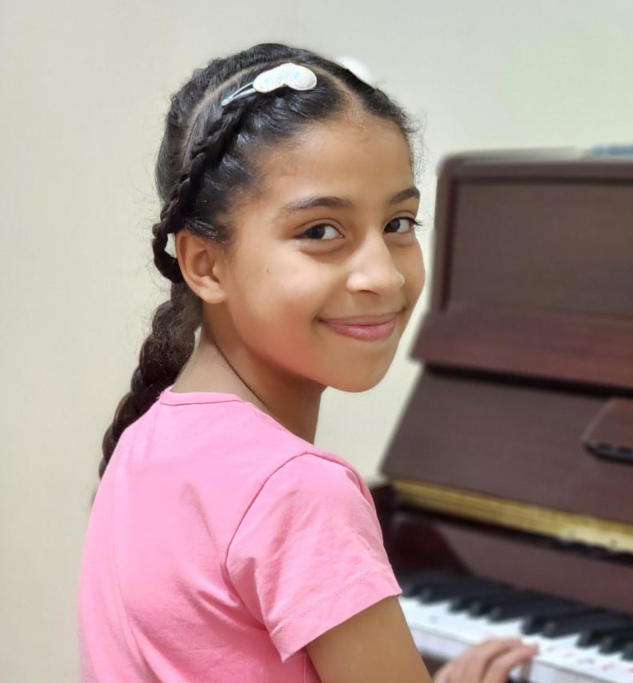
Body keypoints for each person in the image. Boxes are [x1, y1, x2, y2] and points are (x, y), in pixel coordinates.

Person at [78, 43, 538, 683]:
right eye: (321, 231)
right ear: (205, 264)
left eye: (400, 222)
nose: (381, 274)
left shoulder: (147, 440)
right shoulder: (299, 490)